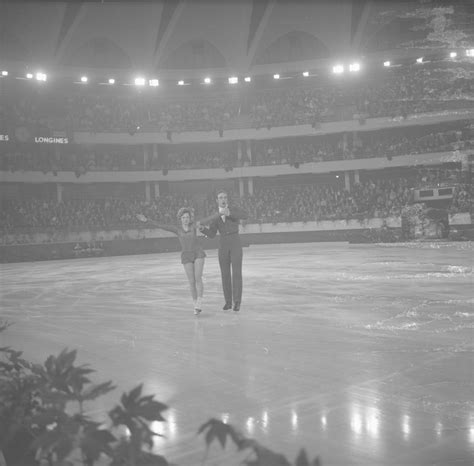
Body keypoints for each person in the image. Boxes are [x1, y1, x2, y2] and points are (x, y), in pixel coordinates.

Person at [137, 207, 213, 315]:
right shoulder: (177, 229)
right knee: (191, 282)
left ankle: (199, 302)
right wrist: (147, 220)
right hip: (186, 256)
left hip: (198, 253)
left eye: (187, 217)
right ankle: (195, 305)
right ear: (180, 219)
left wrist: (221, 212)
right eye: (183, 217)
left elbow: (208, 219)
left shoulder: (194, 225)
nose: (186, 219)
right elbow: (161, 226)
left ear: (190, 218)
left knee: (198, 278)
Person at [199, 191, 248, 312]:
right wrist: (203, 229)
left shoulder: (234, 209)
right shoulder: (215, 215)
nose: (223, 199)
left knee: (236, 273)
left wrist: (230, 213)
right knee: (225, 274)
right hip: (223, 245)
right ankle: (228, 302)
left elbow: (245, 215)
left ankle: (237, 302)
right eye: (220, 198)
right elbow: (211, 234)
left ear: (227, 199)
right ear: (217, 200)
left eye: (225, 197)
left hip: (235, 242)